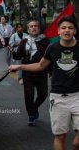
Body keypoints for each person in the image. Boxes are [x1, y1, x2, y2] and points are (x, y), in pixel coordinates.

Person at [9, 16, 79, 150]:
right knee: (60, 136)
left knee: (76, 143)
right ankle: (32, 113)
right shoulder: (52, 48)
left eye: (70, 28)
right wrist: (18, 67)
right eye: (63, 28)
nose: (67, 31)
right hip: (58, 98)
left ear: (75, 31)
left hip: (77, 95)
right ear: (58, 31)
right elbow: (40, 65)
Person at [15, 20, 49, 126]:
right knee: (29, 95)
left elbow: (50, 57)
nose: (34, 28)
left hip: (41, 72)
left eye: (36, 26)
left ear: (39, 28)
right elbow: (18, 56)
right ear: (28, 29)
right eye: (31, 26)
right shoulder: (24, 41)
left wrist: (51, 72)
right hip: (28, 73)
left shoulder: (45, 41)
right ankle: (31, 115)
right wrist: (10, 51)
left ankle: (34, 107)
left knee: (43, 94)